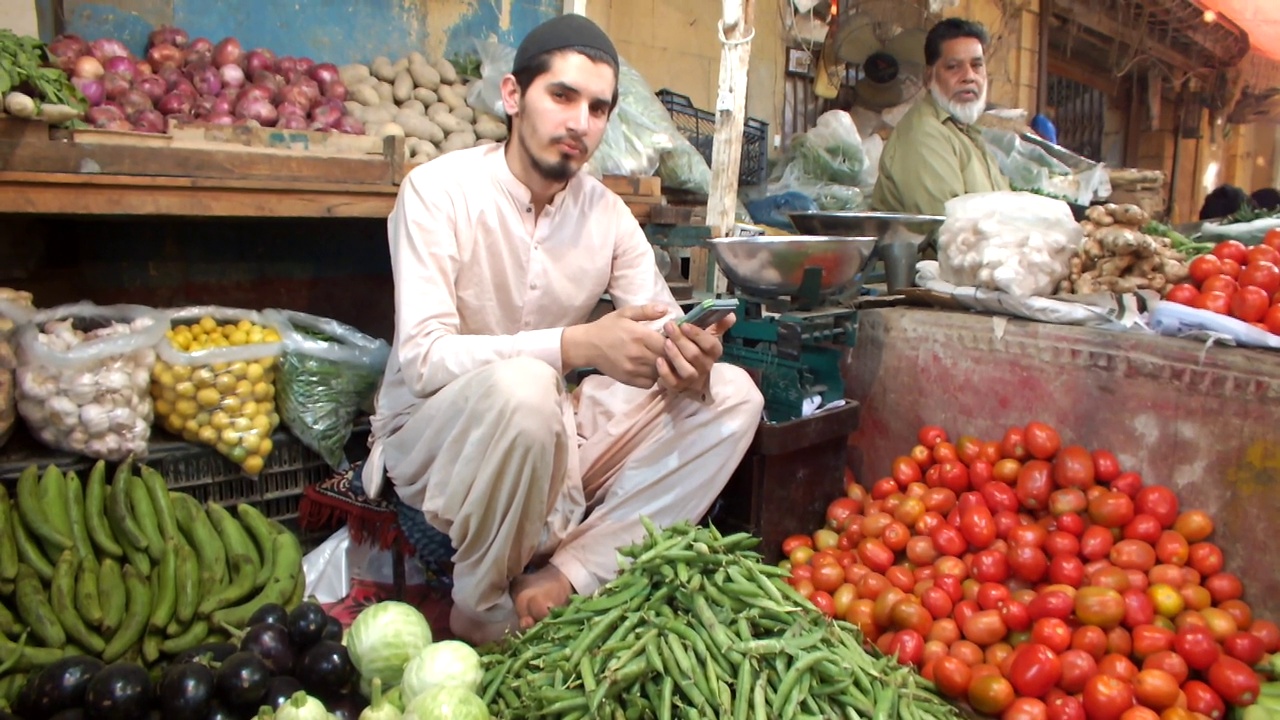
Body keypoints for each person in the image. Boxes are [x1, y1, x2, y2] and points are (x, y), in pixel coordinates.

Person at [361, 14, 764, 645]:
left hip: (553, 428)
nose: (581, 122)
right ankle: (480, 603)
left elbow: (657, 324)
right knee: (525, 386)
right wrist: (575, 346)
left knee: (735, 395)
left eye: (599, 108)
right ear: (514, 97)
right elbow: (423, 360)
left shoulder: (605, 214)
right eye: (563, 96)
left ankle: (569, 573)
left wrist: (687, 354)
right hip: (437, 436)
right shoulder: (437, 192)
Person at [871, 18, 1010, 217]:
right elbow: (950, 231)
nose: (969, 76)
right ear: (928, 78)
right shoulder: (924, 134)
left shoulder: (967, 132)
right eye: (953, 67)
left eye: (976, 65)